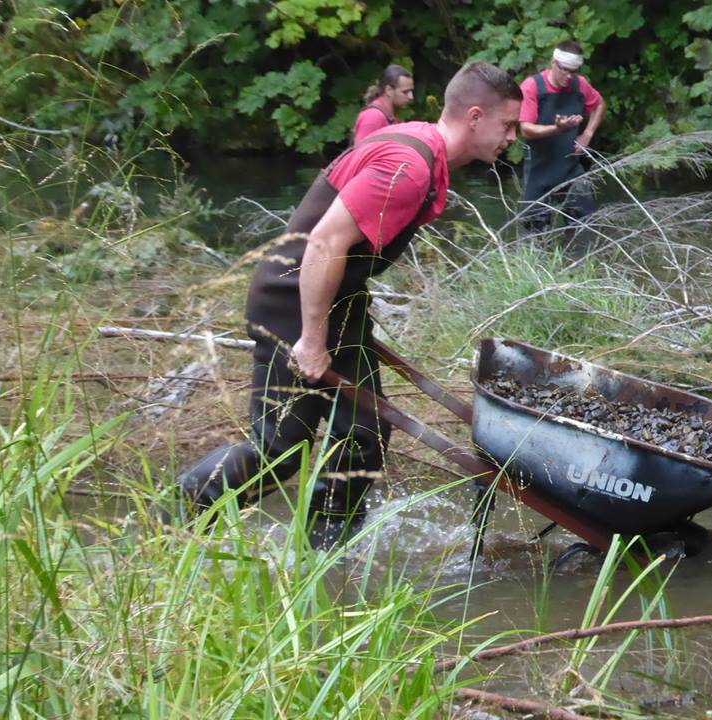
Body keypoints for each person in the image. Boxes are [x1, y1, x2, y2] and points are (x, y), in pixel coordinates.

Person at [177, 61, 522, 539]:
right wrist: (312, 340)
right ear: (476, 116)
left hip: (338, 301)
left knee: (362, 434)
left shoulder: (423, 147)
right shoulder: (409, 167)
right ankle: (178, 520)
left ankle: (326, 553)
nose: (513, 137)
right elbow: (324, 244)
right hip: (291, 303)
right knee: (279, 445)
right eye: (508, 125)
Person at [518, 40, 606, 231]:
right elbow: (525, 129)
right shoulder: (532, 87)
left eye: (573, 71)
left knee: (584, 226)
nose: (568, 76)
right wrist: (556, 129)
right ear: (553, 63)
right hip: (538, 171)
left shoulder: (580, 85)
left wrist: (587, 134)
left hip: (570, 168)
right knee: (536, 231)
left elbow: (599, 104)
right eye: (564, 70)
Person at [352, 64, 415, 143]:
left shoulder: (387, 115)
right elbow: (361, 153)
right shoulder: (373, 116)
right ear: (388, 90)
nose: (411, 97)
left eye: (411, 91)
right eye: (405, 92)